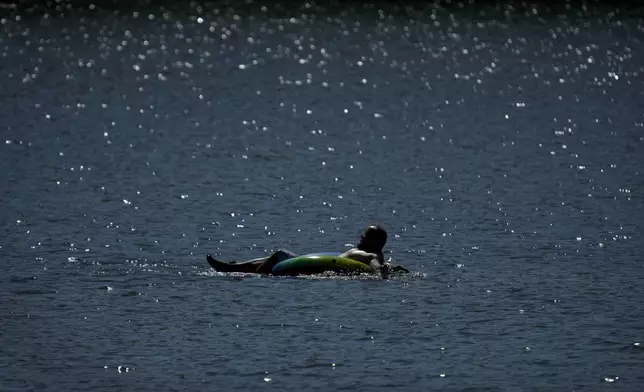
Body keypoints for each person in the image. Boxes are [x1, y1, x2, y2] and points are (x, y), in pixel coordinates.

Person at [207, 225, 392, 276]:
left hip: (320, 266)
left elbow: (372, 259)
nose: (360, 237)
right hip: (323, 263)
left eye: (365, 235)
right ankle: (234, 267)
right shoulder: (372, 252)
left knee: (280, 254)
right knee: (273, 257)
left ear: (373, 241)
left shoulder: (368, 253)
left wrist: (379, 269)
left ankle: (244, 272)